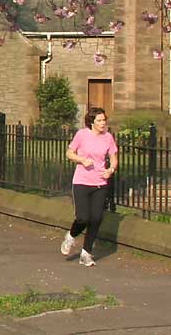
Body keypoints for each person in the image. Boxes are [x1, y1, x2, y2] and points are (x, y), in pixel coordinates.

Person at [60, 107, 118, 267]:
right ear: (92, 122)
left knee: (97, 218)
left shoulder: (108, 138)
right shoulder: (82, 135)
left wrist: (110, 170)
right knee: (83, 218)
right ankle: (70, 237)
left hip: (100, 183)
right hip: (82, 182)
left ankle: (86, 253)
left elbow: (113, 158)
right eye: (99, 120)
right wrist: (81, 160)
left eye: (104, 120)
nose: (103, 123)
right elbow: (69, 153)